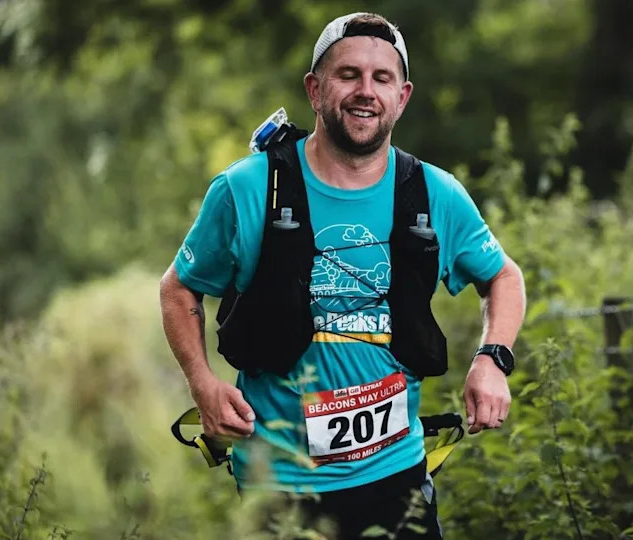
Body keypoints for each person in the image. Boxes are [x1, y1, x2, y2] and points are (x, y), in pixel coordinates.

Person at [159, 12, 526, 538]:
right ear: (314, 89)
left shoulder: (434, 193)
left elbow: (504, 278)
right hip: (281, 484)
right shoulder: (247, 188)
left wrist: (493, 360)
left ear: (403, 96)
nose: (365, 91)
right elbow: (179, 288)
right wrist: (202, 384)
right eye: (347, 74)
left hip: (397, 474)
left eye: (382, 79)